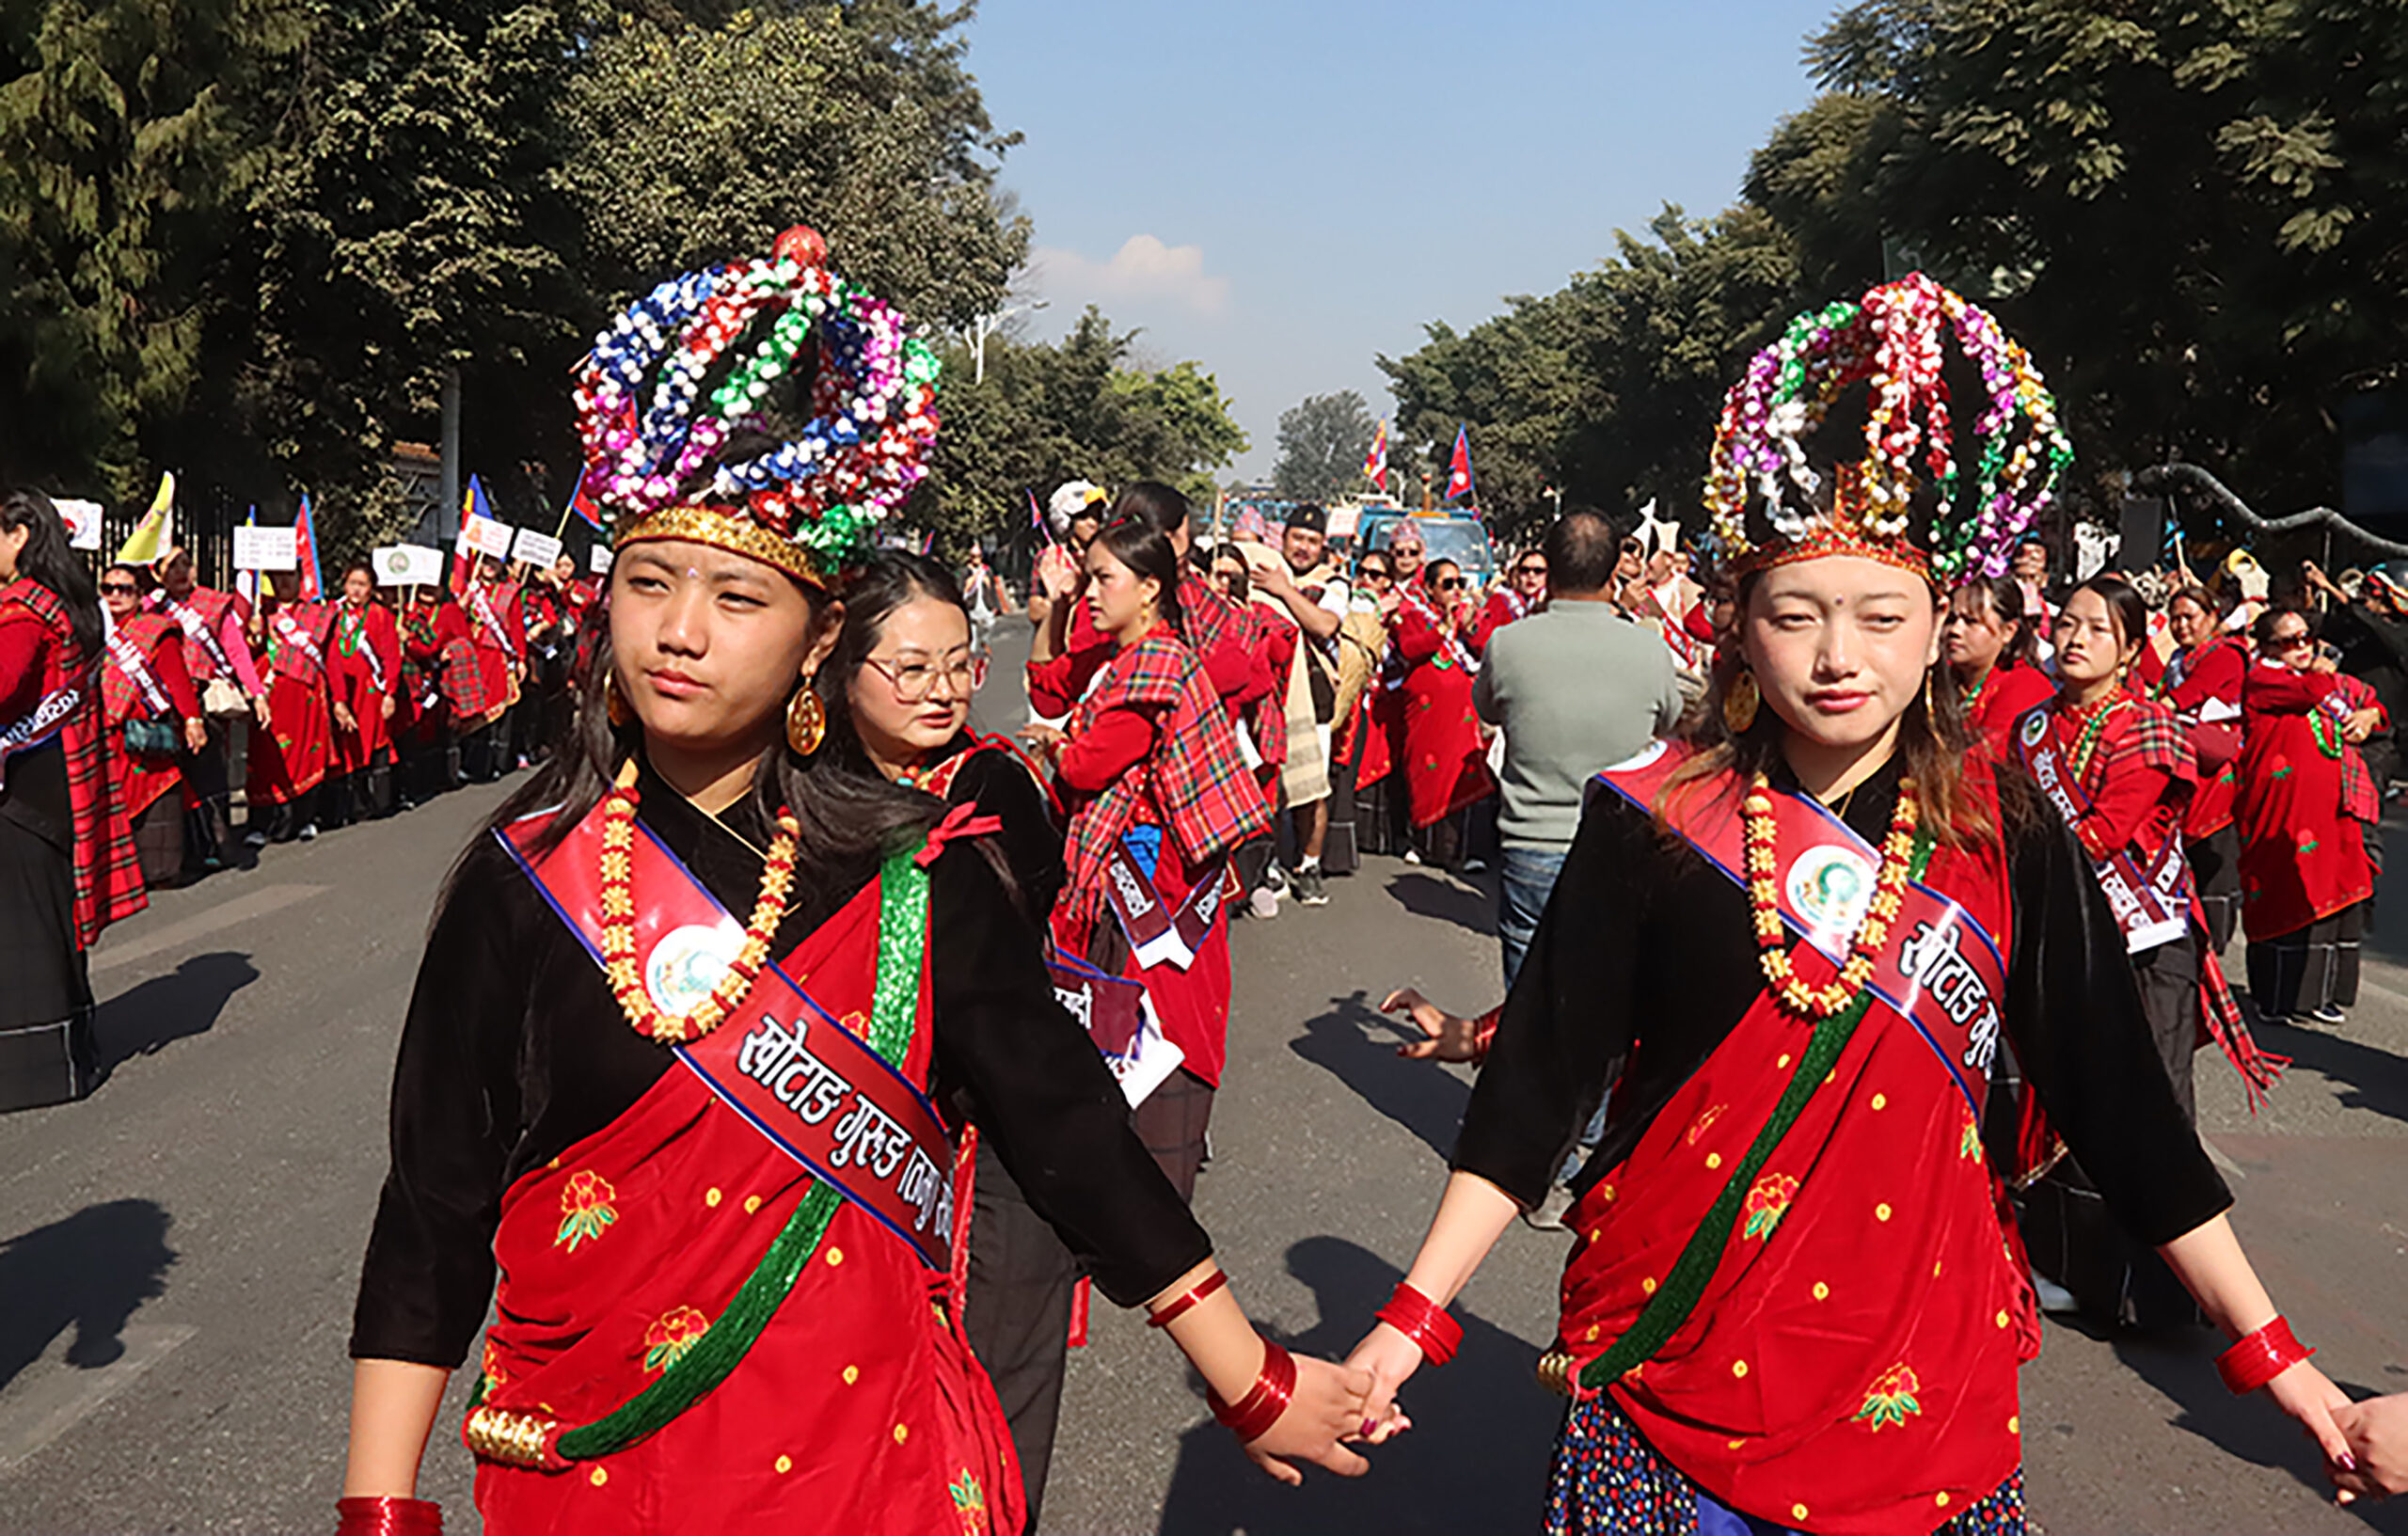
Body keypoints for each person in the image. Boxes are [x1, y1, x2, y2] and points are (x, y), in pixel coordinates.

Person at [341, 230, 1369, 1536]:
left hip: (860, 1471)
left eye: (736, 597)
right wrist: (379, 1508)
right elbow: (432, 1203)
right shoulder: (525, 883)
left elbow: (1061, 1120)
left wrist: (1247, 1373)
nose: (680, 630)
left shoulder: (917, 873)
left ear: (819, 635)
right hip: (589, 1478)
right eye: (648, 583)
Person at [1340, 275, 2353, 1535]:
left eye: (1882, 617)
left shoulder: (2004, 828)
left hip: (1916, 1376)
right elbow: (1539, 1083)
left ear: (1939, 630)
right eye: (1796, 615)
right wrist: (1409, 1320)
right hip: (1673, 1353)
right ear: (1739, 632)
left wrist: (2280, 1359)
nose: (1838, 657)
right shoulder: (1653, 817)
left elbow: (2119, 1099)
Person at [826, 551, 1083, 1524]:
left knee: (988, 1403)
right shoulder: (795, 786)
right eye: (910, 668)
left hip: (979, 1138)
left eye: (958, 664)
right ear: (840, 666)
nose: (941, 689)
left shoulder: (993, 785)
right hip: (826, 1130)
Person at [2011, 577, 2274, 1329]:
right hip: (2065, 934)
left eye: (2098, 628)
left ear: (2131, 650)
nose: (2075, 638)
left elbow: (2104, 831)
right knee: (2066, 1096)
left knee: (2150, 1106)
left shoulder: (2150, 728)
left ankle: (2154, 1292)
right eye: (2068, 622)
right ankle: (2070, 1265)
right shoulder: (2033, 726)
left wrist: (2018, 860)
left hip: (2145, 942)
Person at [1022, 518, 1272, 1202]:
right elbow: (1049, 685)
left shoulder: (1153, 665)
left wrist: (1055, 746)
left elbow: (1087, 763)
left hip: (1150, 886)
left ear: (1150, 588)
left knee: (1151, 1025)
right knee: (1120, 1027)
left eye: (1104, 579)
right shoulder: (1129, 656)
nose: (1090, 592)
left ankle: (1145, 1199)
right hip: (1142, 872)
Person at [1473, 508, 1682, 986]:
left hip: (1533, 843)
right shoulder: (1649, 650)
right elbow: (1670, 722)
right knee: (1605, 991)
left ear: (1549, 570)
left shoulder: (1507, 644)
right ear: (1613, 576)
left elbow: (1487, 709)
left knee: (1527, 992)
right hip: (1617, 847)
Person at [1, 489, 145, 1109]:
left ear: (20, 536)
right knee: (51, 920)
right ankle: (71, 1050)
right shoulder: (71, 603)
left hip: (22, 788)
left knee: (22, 927)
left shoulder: (24, 608)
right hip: (59, 781)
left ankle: (30, 1068)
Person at [2238, 606, 2384, 1025]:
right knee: (2284, 890)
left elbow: (2372, 703)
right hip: (2281, 809)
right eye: (2290, 641)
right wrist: (2324, 673)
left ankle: (2320, 995)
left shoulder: (2325, 680)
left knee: (2334, 888)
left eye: (2307, 637)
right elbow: (2311, 692)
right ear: (2268, 648)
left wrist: (2368, 715)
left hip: (2333, 805)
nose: (2302, 647)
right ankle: (2277, 997)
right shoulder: (2264, 678)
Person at [1247, 504, 1355, 903]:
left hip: (1313, 698)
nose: (1303, 547)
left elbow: (1325, 624)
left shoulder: (1333, 584)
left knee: (1311, 790)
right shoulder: (1265, 572)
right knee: (1267, 785)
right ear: (1284, 537)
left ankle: (1309, 865)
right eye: (1297, 538)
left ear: (1323, 545)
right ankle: (1269, 863)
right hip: (1267, 698)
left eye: (1312, 540)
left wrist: (1284, 590)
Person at [148, 545, 268, 871]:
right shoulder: (149, 608)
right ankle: (182, 848)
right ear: (157, 573)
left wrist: (256, 693)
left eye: (186, 564)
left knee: (209, 773)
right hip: (163, 701)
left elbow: (236, 651)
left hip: (204, 699)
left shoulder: (214, 605)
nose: (180, 571)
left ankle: (219, 843)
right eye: (172, 565)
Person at [2155, 585, 2251, 951]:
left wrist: (2155, 709)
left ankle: (2212, 947)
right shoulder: (2179, 658)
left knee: (2214, 864)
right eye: (2175, 618)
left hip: (2217, 773)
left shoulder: (2226, 655)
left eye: (2189, 617)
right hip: (2185, 763)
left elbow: (2188, 696)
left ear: (2212, 618)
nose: (2181, 625)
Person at [99, 562, 206, 885]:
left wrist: (192, 719)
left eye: (124, 589)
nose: (115, 595)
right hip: (102, 733)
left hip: (141, 734)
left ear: (139, 594)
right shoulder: (91, 629)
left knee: (150, 795)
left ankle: (157, 868)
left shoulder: (155, 630)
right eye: (108, 588)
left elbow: (177, 679)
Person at [1387, 553, 1493, 865]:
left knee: (1465, 775)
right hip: (1427, 715)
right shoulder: (1413, 616)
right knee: (1428, 774)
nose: (1456, 590)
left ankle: (1462, 853)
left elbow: (1488, 649)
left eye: (1460, 583)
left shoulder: (1469, 616)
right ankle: (1425, 847)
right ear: (1430, 589)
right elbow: (1410, 648)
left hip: (1462, 715)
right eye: (1448, 584)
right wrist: (1444, 626)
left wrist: (1470, 626)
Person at [245, 568, 337, 844]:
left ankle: (305, 819)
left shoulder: (317, 615)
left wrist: (340, 701)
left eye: (290, 575)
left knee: (306, 754)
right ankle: (261, 823)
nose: (284, 581)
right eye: (278, 576)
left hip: (305, 696)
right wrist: (251, 633)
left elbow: (330, 659)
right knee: (265, 758)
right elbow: (243, 654)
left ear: (300, 579)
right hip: (269, 696)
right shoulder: (259, 612)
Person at [327, 561, 404, 827]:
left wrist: (390, 692)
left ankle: (378, 802)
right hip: (342, 689)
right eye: (352, 583)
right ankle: (349, 806)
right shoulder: (332, 613)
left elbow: (391, 656)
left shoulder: (380, 616)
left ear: (372, 589)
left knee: (375, 739)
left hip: (371, 690)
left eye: (362, 585)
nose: (356, 590)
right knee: (345, 742)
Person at [1944, 576, 2053, 756]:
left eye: (1971, 621)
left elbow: (1986, 762)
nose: (1955, 630)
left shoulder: (2026, 685)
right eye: (1951, 619)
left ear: (2008, 631)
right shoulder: (1942, 676)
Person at [457, 553, 526, 781]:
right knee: (473, 709)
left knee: (497, 706)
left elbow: (516, 626)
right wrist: (466, 598)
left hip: (496, 655)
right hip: (472, 655)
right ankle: (470, 765)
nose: (489, 566)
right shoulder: (469, 589)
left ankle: (495, 763)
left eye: (494, 561)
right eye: (485, 561)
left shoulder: (510, 591)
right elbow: (455, 619)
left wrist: (521, 658)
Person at [1474, 548, 1548, 651]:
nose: (1531, 575)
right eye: (1525, 570)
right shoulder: (1499, 601)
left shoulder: (1555, 604)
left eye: (1538, 571)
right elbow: (1482, 643)